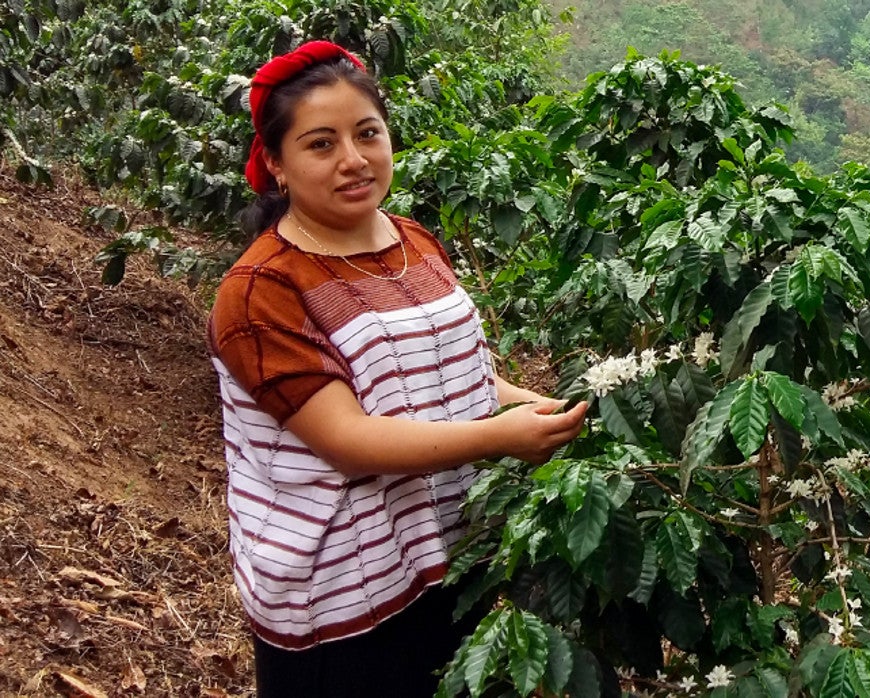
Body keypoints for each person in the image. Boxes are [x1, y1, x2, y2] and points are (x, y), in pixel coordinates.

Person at [207, 41, 588, 697]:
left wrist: (534, 407)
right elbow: (348, 442)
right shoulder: (262, 291)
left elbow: (455, 373)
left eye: (367, 134)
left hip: (445, 557)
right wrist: (503, 438)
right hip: (338, 596)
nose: (353, 160)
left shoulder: (412, 239)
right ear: (276, 163)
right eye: (321, 144)